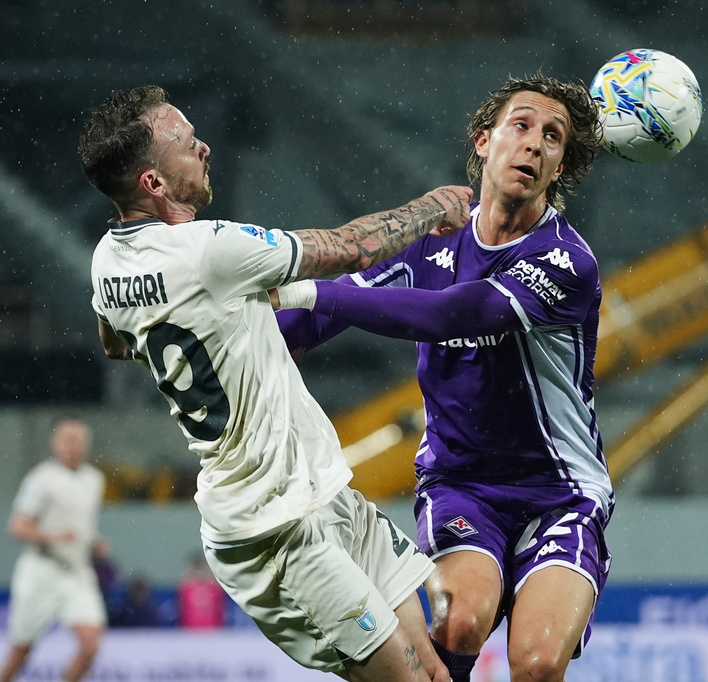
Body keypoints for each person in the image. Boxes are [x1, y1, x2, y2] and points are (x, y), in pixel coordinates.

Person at [79, 84, 473, 682]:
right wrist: (431, 207)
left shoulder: (107, 260)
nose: (204, 148)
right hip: (272, 528)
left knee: (437, 670)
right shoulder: (208, 250)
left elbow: (116, 341)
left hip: (325, 491)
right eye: (186, 142)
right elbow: (350, 248)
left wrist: (217, 327)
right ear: (153, 182)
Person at [274, 73, 612, 682]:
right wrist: (234, 341)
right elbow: (314, 323)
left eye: (553, 137)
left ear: (560, 167)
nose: (534, 144)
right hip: (462, 483)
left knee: (536, 664)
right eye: (521, 125)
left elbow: (451, 314)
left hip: (559, 492)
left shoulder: (565, 260)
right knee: (459, 623)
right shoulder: (434, 241)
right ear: (484, 141)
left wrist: (305, 288)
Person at [1, 418, 107, 682]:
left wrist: (93, 541)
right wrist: (53, 536)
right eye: (68, 439)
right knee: (21, 651)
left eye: (79, 440)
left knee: (91, 644)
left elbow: (81, 526)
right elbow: (17, 526)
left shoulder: (94, 479)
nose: (74, 446)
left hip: (77, 572)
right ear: (55, 443)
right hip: (42, 570)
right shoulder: (40, 479)